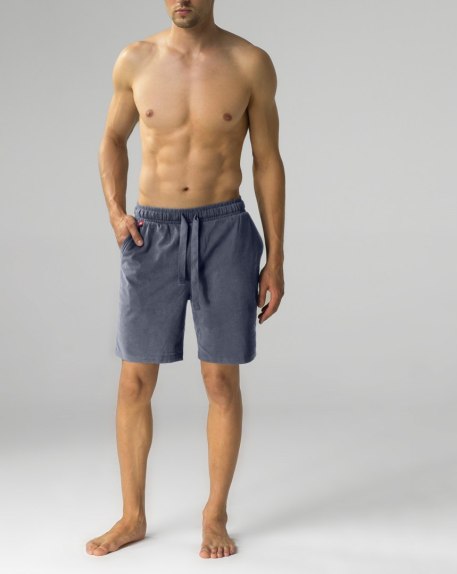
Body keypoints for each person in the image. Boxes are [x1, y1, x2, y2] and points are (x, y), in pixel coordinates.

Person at [86, 0, 285, 560]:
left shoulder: (249, 62)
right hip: (150, 234)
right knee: (133, 382)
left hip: (225, 230)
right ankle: (132, 516)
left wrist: (276, 257)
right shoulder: (136, 59)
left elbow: (267, 159)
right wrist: (115, 213)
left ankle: (215, 514)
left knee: (221, 382)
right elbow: (112, 138)